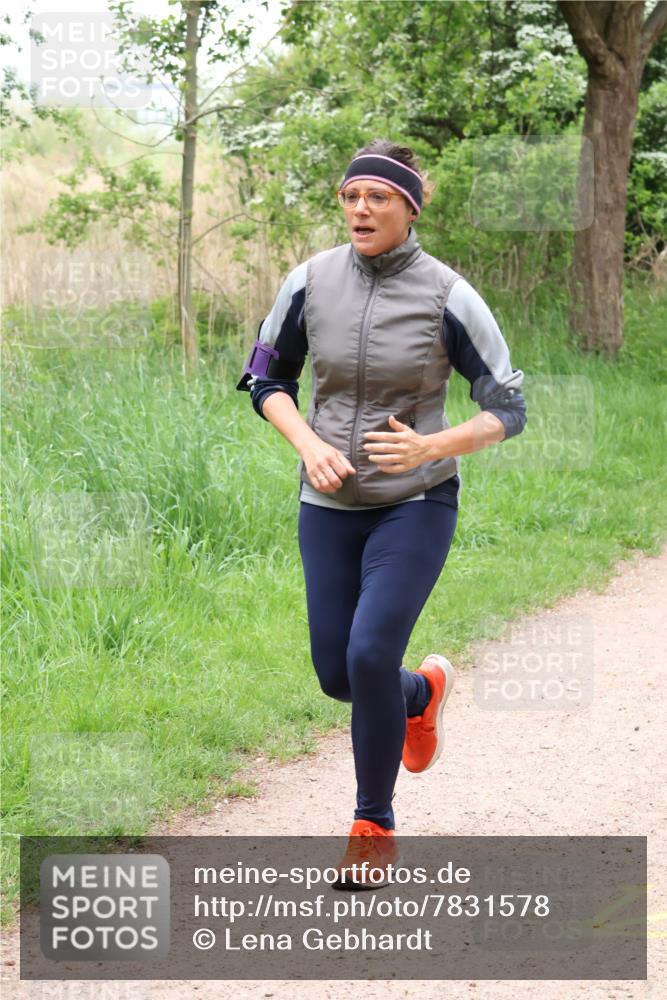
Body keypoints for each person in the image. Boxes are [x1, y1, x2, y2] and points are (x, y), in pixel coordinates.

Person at [237, 138, 527, 889]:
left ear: (409, 208)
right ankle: (421, 694)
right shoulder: (308, 281)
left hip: (416, 502)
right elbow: (264, 378)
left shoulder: (447, 294)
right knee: (338, 674)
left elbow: (506, 408)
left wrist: (432, 444)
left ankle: (372, 826)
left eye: (378, 198)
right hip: (327, 501)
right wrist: (305, 443)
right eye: (350, 196)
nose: (360, 209)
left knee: (368, 654)